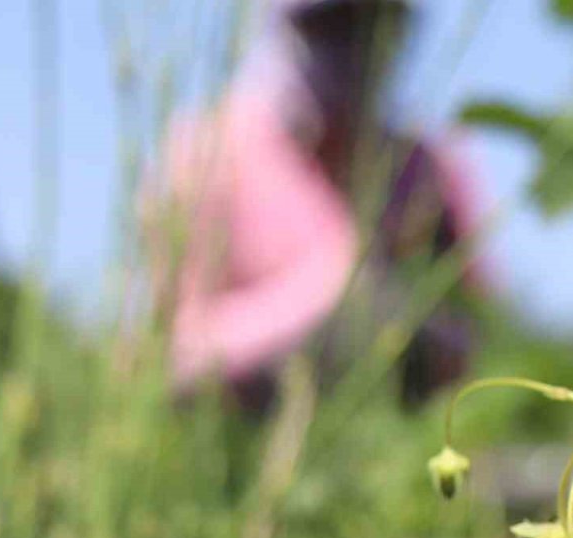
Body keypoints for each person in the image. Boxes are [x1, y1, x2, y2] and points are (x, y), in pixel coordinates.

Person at [144, 0, 479, 411]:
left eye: (378, 22)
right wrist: (330, 291)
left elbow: (481, 333)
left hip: (398, 442)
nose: (356, 46)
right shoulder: (204, 153)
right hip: (242, 445)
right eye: (331, 24)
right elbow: (164, 362)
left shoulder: (433, 170)